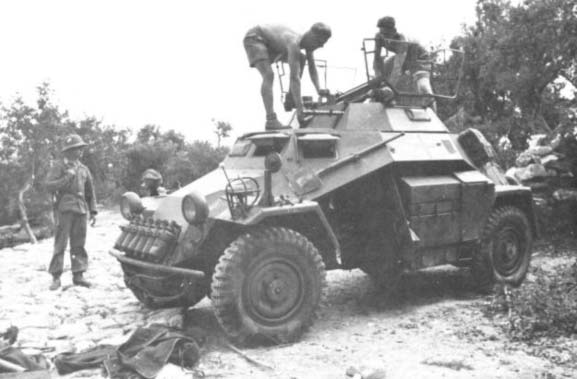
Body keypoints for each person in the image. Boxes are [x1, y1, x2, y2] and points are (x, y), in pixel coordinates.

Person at [243, 22, 332, 130]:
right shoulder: (293, 43)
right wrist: (300, 109)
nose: (321, 46)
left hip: (271, 43)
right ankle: (271, 120)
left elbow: (312, 69)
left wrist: (319, 89)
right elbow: (294, 78)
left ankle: (291, 98)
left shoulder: (307, 45)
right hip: (255, 38)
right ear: (312, 36)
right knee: (268, 75)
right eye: (320, 42)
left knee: (302, 58)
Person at [45, 134, 97, 290]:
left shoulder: (84, 169)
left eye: (81, 148)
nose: (80, 151)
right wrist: (67, 177)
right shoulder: (59, 166)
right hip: (65, 209)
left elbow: (90, 192)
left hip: (81, 209)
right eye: (77, 149)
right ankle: (56, 277)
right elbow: (49, 185)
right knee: (60, 243)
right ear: (68, 151)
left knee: (79, 243)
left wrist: (93, 211)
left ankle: (78, 275)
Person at [372, 16, 436, 112]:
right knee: (383, 70)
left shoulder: (401, 39)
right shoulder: (379, 36)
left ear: (394, 31)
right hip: (403, 58)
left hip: (419, 59)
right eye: (382, 33)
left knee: (423, 87)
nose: (384, 36)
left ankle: (433, 112)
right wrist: (378, 76)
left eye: (386, 33)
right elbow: (377, 59)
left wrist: (389, 87)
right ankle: (378, 100)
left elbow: (397, 67)